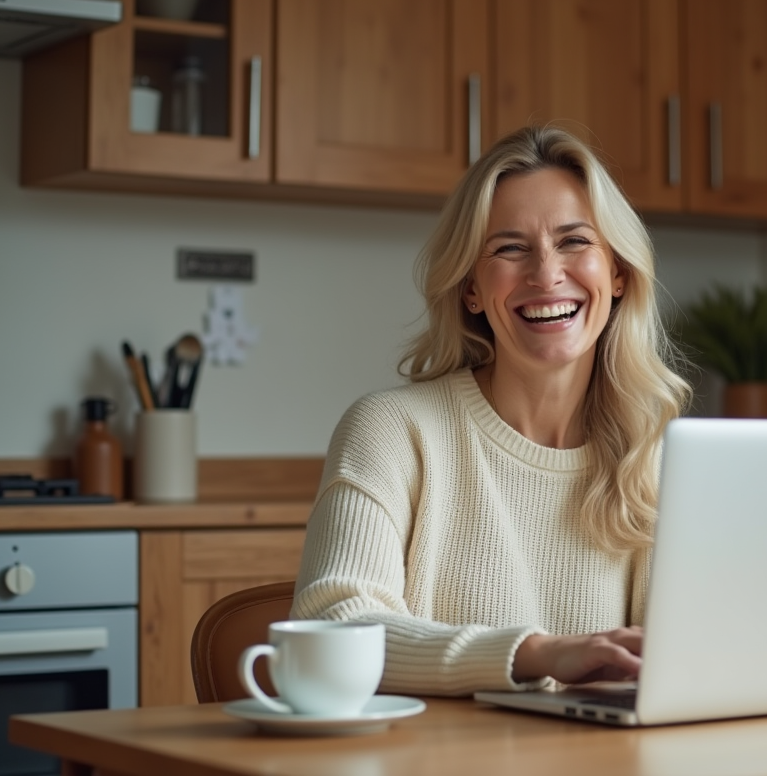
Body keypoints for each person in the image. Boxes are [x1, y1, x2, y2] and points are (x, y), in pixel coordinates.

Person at [291, 125, 692, 697]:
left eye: (575, 241)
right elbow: (332, 625)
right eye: (509, 248)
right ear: (471, 289)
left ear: (619, 273)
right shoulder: (391, 430)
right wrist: (537, 654)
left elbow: (696, 652)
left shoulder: (657, 457)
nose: (546, 274)